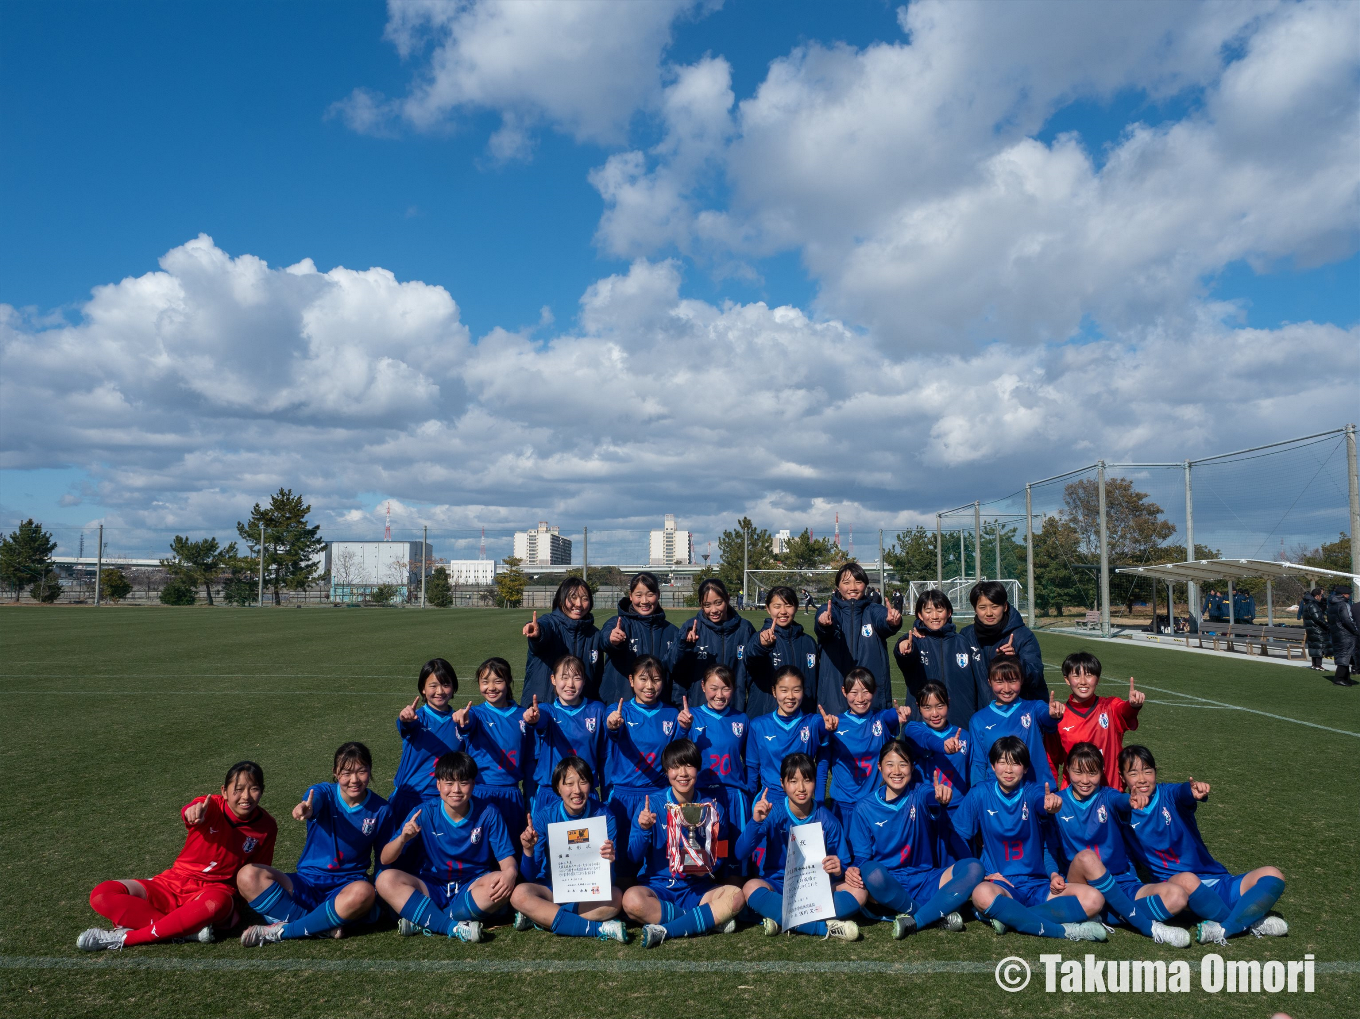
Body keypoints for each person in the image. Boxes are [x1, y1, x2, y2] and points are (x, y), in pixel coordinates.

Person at [78, 762, 277, 951]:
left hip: (215, 891)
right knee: (103, 893)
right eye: (239, 789)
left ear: (262, 790)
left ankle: (125, 938)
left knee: (216, 904)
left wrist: (234, 911)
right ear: (224, 791)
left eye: (254, 789)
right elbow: (192, 809)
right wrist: (191, 812)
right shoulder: (211, 805)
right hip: (173, 882)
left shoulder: (267, 826)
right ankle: (185, 930)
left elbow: (256, 873)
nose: (246, 796)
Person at [1117, 745, 1288, 944]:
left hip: (1217, 882)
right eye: (1133, 773)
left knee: (1273, 875)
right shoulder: (1122, 812)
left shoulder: (1168, 794)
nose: (1142, 779)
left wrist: (1193, 791)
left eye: (1148, 771)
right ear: (1123, 778)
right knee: (1187, 880)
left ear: (1156, 772)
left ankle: (1226, 927)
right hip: (1178, 890)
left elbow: (1183, 793)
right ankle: (1243, 923)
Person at [952, 737, 1108, 942]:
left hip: (1038, 885)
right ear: (992, 765)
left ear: (1025, 768)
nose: (1008, 769)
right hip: (1003, 885)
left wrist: (1050, 805)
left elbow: (1041, 805)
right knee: (981, 893)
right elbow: (958, 838)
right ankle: (1066, 930)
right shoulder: (979, 793)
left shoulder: (1033, 791)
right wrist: (982, 874)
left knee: (1095, 899)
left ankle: (1008, 916)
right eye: (1002, 762)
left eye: (1015, 763)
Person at [238, 743, 391, 945]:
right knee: (247, 875)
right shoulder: (323, 792)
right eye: (346, 773)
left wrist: (381, 893)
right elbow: (313, 800)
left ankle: (285, 931)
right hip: (306, 883)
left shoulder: (381, 809)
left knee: (364, 893)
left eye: (361, 771)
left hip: (345, 888)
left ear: (370, 770)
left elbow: (383, 858)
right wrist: (307, 808)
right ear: (335, 773)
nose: (354, 780)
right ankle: (319, 926)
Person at [1049, 742, 1190, 947]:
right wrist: (1053, 874)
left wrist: (1130, 800)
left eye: (1092, 773)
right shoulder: (1057, 803)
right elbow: (1048, 848)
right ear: (1067, 770)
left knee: (1177, 897)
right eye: (1078, 772)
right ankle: (1149, 927)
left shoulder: (1109, 796)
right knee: (1087, 857)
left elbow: (1121, 801)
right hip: (1082, 884)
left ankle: (1104, 914)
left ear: (1102, 771)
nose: (1085, 780)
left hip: (1121, 881)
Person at [843, 740, 983, 938]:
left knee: (974, 867)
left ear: (912, 767)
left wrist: (939, 796)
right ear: (880, 767)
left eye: (903, 764)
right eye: (890, 764)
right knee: (871, 873)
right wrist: (854, 869)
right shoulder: (864, 807)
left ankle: (917, 919)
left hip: (926, 878)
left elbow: (931, 797)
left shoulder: (920, 792)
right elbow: (862, 856)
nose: (897, 771)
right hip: (888, 883)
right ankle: (932, 913)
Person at [375, 751, 516, 943]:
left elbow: (507, 862)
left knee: (502, 880)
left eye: (463, 782)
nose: (456, 790)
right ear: (438, 784)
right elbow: (385, 859)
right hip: (433, 885)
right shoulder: (423, 812)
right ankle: (451, 926)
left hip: (472, 884)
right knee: (384, 879)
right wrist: (403, 839)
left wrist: (510, 873)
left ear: (474, 783)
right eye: (449, 783)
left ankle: (426, 919)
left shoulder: (488, 813)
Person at [622, 739, 746, 948]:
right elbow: (633, 856)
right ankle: (701, 920)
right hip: (659, 887)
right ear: (666, 771)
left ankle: (668, 929)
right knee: (631, 900)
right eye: (675, 767)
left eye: (688, 765)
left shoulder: (714, 808)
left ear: (698, 768)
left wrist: (708, 867)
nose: (682, 773)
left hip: (698, 889)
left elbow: (722, 851)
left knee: (736, 896)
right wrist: (644, 830)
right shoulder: (651, 805)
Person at [734, 753, 862, 939]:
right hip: (779, 885)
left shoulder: (828, 820)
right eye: (793, 781)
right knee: (750, 888)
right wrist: (755, 822)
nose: (801, 788)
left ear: (816, 782)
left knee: (859, 892)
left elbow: (842, 865)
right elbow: (740, 852)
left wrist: (838, 868)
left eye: (807, 780)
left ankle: (778, 916)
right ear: (782, 783)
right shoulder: (773, 813)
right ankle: (823, 928)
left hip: (815, 890)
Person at [510, 756, 629, 943]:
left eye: (583, 782)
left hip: (589, 892)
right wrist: (528, 851)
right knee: (518, 895)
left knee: (616, 898)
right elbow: (531, 876)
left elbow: (609, 881)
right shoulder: (544, 817)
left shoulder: (605, 816)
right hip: (552, 890)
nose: (577, 791)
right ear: (558, 788)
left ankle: (541, 917)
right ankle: (597, 929)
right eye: (569, 784)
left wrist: (609, 862)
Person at [603, 655, 686, 881]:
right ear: (631, 681)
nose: (650, 686)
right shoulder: (619, 711)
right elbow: (611, 729)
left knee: (654, 857)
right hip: (623, 795)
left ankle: (652, 900)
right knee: (621, 858)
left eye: (656, 680)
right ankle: (620, 904)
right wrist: (612, 725)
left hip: (657, 797)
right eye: (643, 679)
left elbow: (676, 755)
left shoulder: (671, 714)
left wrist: (684, 729)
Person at [455, 657, 534, 842]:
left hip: (511, 794)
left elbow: (530, 759)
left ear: (508, 681)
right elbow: (466, 725)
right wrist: (462, 720)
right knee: (480, 847)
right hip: (480, 792)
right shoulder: (475, 714)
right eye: (485, 682)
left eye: (498, 681)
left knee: (512, 846)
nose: (491, 687)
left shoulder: (522, 716)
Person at [892, 589, 990, 728]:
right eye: (928, 610)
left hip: (960, 723)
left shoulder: (963, 642)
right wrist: (903, 649)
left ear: (949, 612)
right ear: (920, 614)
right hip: (922, 726)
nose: (935, 616)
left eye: (939, 610)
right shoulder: (916, 642)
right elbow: (904, 655)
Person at [821, 667, 912, 819]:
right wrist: (820, 804)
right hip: (844, 805)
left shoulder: (880, 718)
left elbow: (890, 716)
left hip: (875, 803)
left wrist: (899, 713)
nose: (860, 698)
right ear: (844, 691)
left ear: (874, 691)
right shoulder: (835, 724)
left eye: (866, 691)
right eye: (854, 692)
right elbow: (823, 766)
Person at [814, 562, 903, 713]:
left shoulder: (873, 610)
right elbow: (824, 623)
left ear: (866, 585)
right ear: (838, 585)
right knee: (834, 733)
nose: (853, 587)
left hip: (871, 696)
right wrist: (824, 623)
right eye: (846, 582)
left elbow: (883, 621)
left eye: (858, 582)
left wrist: (892, 622)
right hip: (834, 692)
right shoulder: (829, 609)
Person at [527, 654, 609, 814]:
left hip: (584, 793)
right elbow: (541, 721)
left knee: (585, 840)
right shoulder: (546, 711)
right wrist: (534, 718)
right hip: (551, 794)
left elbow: (606, 756)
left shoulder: (598, 710)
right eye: (564, 677)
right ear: (553, 679)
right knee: (545, 839)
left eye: (576, 678)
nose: (570, 684)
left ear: (584, 680)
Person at [900, 681, 972, 863]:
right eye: (927, 707)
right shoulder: (913, 729)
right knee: (927, 863)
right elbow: (926, 739)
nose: (934, 714)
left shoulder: (964, 736)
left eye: (940, 706)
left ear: (948, 702)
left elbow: (973, 774)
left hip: (958, 810)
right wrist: (943, 746)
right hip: (926, 808)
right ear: (918, 707)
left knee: (960, 865)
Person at [1050, 651, 1143, 790]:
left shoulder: (1109, 707)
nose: (1083, 681)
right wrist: (1051, 792)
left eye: (1089, 675)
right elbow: (1051, 761)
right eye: (1076, 675)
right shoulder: (1058, 716)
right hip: (1074, 798)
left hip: (1110, 792)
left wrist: (1133, 705)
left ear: (1097, 679)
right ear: (1067, 679)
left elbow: (1125, 711)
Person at [966, 658, 1060, 791]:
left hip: (1037, 789)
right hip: (999, 792)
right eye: (999, 682)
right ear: (989, 682)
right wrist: (979, 792)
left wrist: (1052, 715)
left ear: (1021, 680)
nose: (1006, 688)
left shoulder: (1033, 708)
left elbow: (1047, 718)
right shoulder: (979, 719)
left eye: (1012, 681)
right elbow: (978, 762)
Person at [748, 666, 839, 799]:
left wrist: (828, 725)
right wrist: (749, 801)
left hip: (802, 801)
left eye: (796, 690)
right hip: (770, 800)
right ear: (774, 691)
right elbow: (752, 769)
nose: (790, 696)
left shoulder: (813, 722)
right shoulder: (758, 725)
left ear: (803, 691)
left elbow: (822, 728)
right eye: (784, 690)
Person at [390, 658, 463, 824]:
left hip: (443, 800)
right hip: (410, 797)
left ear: (453, 688)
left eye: (445, 684)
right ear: (423, 689)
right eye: (433, 685)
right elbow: (405, 725)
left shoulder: (460, 721)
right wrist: (405, 718)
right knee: (401, 847)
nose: (440, 691)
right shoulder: (416, 718)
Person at [686, 664, 754, 838]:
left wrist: (749, 792)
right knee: (707, 854)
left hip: (734, 795)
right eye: (714, 688)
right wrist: (682, 729)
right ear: (703, 686)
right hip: (702, 794)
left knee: (736, 854)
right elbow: (677, 758)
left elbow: (751, 762)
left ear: (734, 689)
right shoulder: (691, 717)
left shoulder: (741, 719)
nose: (719, 695)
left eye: (726, 689)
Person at [600, 572, 683, 704]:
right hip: (620, 708)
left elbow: (678, 674)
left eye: (650, 594)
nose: (644, 601)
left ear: (658, 595)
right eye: (639, 595)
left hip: (659, 711)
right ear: (631, 596)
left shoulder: (672, 632)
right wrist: (611, 640)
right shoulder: (618, 623)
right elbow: (603, 640)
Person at [672, 578, 756, 708]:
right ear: (701, 604)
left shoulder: (745, 629)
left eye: (718, 603)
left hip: (734, 711)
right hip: (699, 710)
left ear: (727, 599)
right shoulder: (691, 627)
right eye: (707, 605)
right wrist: (683, 645)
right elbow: (675, 670)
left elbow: (753, 675)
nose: (714, 610)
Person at [958, 580, 1047, 701]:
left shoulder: (1022, 635)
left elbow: (1036, 677)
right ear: (975, 609)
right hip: (984, 714)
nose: (989, 613)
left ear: (1005, 606)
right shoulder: (966, 635)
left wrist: (1016, 661)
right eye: (982, 607)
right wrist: (923, 632)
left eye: (994, 607)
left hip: (1017, 713)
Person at [521, 577, 604, 704]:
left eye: (585, 598)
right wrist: (537, 632)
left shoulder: (594, 634)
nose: (579, 604)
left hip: (581, 714)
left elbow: (598, 678)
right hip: (543, 710)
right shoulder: (550, 623)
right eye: (573, 597)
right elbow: (544, 630)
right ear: (560, 600)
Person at [742, 585, 818, 716]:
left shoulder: (808, 642)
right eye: (777, 606)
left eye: (788, 605)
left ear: (796, 607)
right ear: (768, 608)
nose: (783, 611)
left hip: (803, 718)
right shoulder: (760, 638)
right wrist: (763, 646)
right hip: (767, 717)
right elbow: (750, 657)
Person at [1326, 585, 1357, 686]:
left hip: (1336, 633)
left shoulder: (1331, 605)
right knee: (1345, 656)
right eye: (1348, 594)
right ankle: (1339, 678)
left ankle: (1346, 678)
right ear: (1343, 595)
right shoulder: (1343, 605)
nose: (1349, 596)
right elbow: (1347, 619)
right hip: (1345, 634)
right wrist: (1355, 630)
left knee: (1343, 656)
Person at [1300, 586, 1332, 671]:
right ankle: (1318, 664)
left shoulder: (1307, 604)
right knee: (1319, 646)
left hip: (1311, 629)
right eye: (1321, 596)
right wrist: (1328, 626)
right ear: (1317, 596)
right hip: (1316, 629)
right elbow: (1318, 618)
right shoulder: (1313, 605)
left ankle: (1314, 664)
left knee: (1313, 646)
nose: (1321, 597)